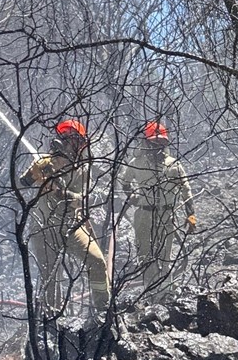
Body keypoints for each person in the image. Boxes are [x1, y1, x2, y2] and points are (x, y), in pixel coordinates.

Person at [19, 119, 111, 315]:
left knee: (97, 261)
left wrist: (63, 194)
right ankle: (50, 322)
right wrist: (34, 173)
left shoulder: (82, 169)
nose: (70, 143)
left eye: (74, 139)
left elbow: (83, 199)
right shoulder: (46, 163)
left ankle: (103, 311)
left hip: (71, 226)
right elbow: (21, 184)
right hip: (43, 229)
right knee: (50, 279)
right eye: (66, 138)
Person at [121, 121, 196, 298]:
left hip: (166, 214)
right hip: (144, 214)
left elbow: (186, 189)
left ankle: (165, 294)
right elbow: (125, 182)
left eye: (161, 143)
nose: (157, 146)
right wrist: (133, 197)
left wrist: (191, 214)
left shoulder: (173, 164)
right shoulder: (136, 162)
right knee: (145, 256)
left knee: (165, 255)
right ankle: (150, 294)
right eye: (154, 142)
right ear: (146, 143)